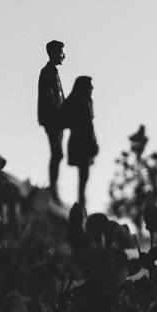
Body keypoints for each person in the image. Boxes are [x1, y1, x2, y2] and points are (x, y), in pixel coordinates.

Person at [63, 75, 99, 212]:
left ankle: (81, 203)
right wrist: (92, 143)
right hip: (82, 142)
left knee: (84, 176)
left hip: (80, 141)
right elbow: (88, 125)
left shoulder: (79, 101)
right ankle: (81, 204)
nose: (92, 88)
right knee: (84, 176)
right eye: (90, 85)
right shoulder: (82, 102)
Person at [38, 40, 67, 201]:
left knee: (58, 153)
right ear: (54, 53)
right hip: (52, 120)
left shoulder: (54, 72)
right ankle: (53, 188)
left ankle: (54, 186)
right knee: (57, 153)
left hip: (58, 120)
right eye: (61, 52)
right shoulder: (47, 72)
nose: (64, 55)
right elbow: (48, 97)